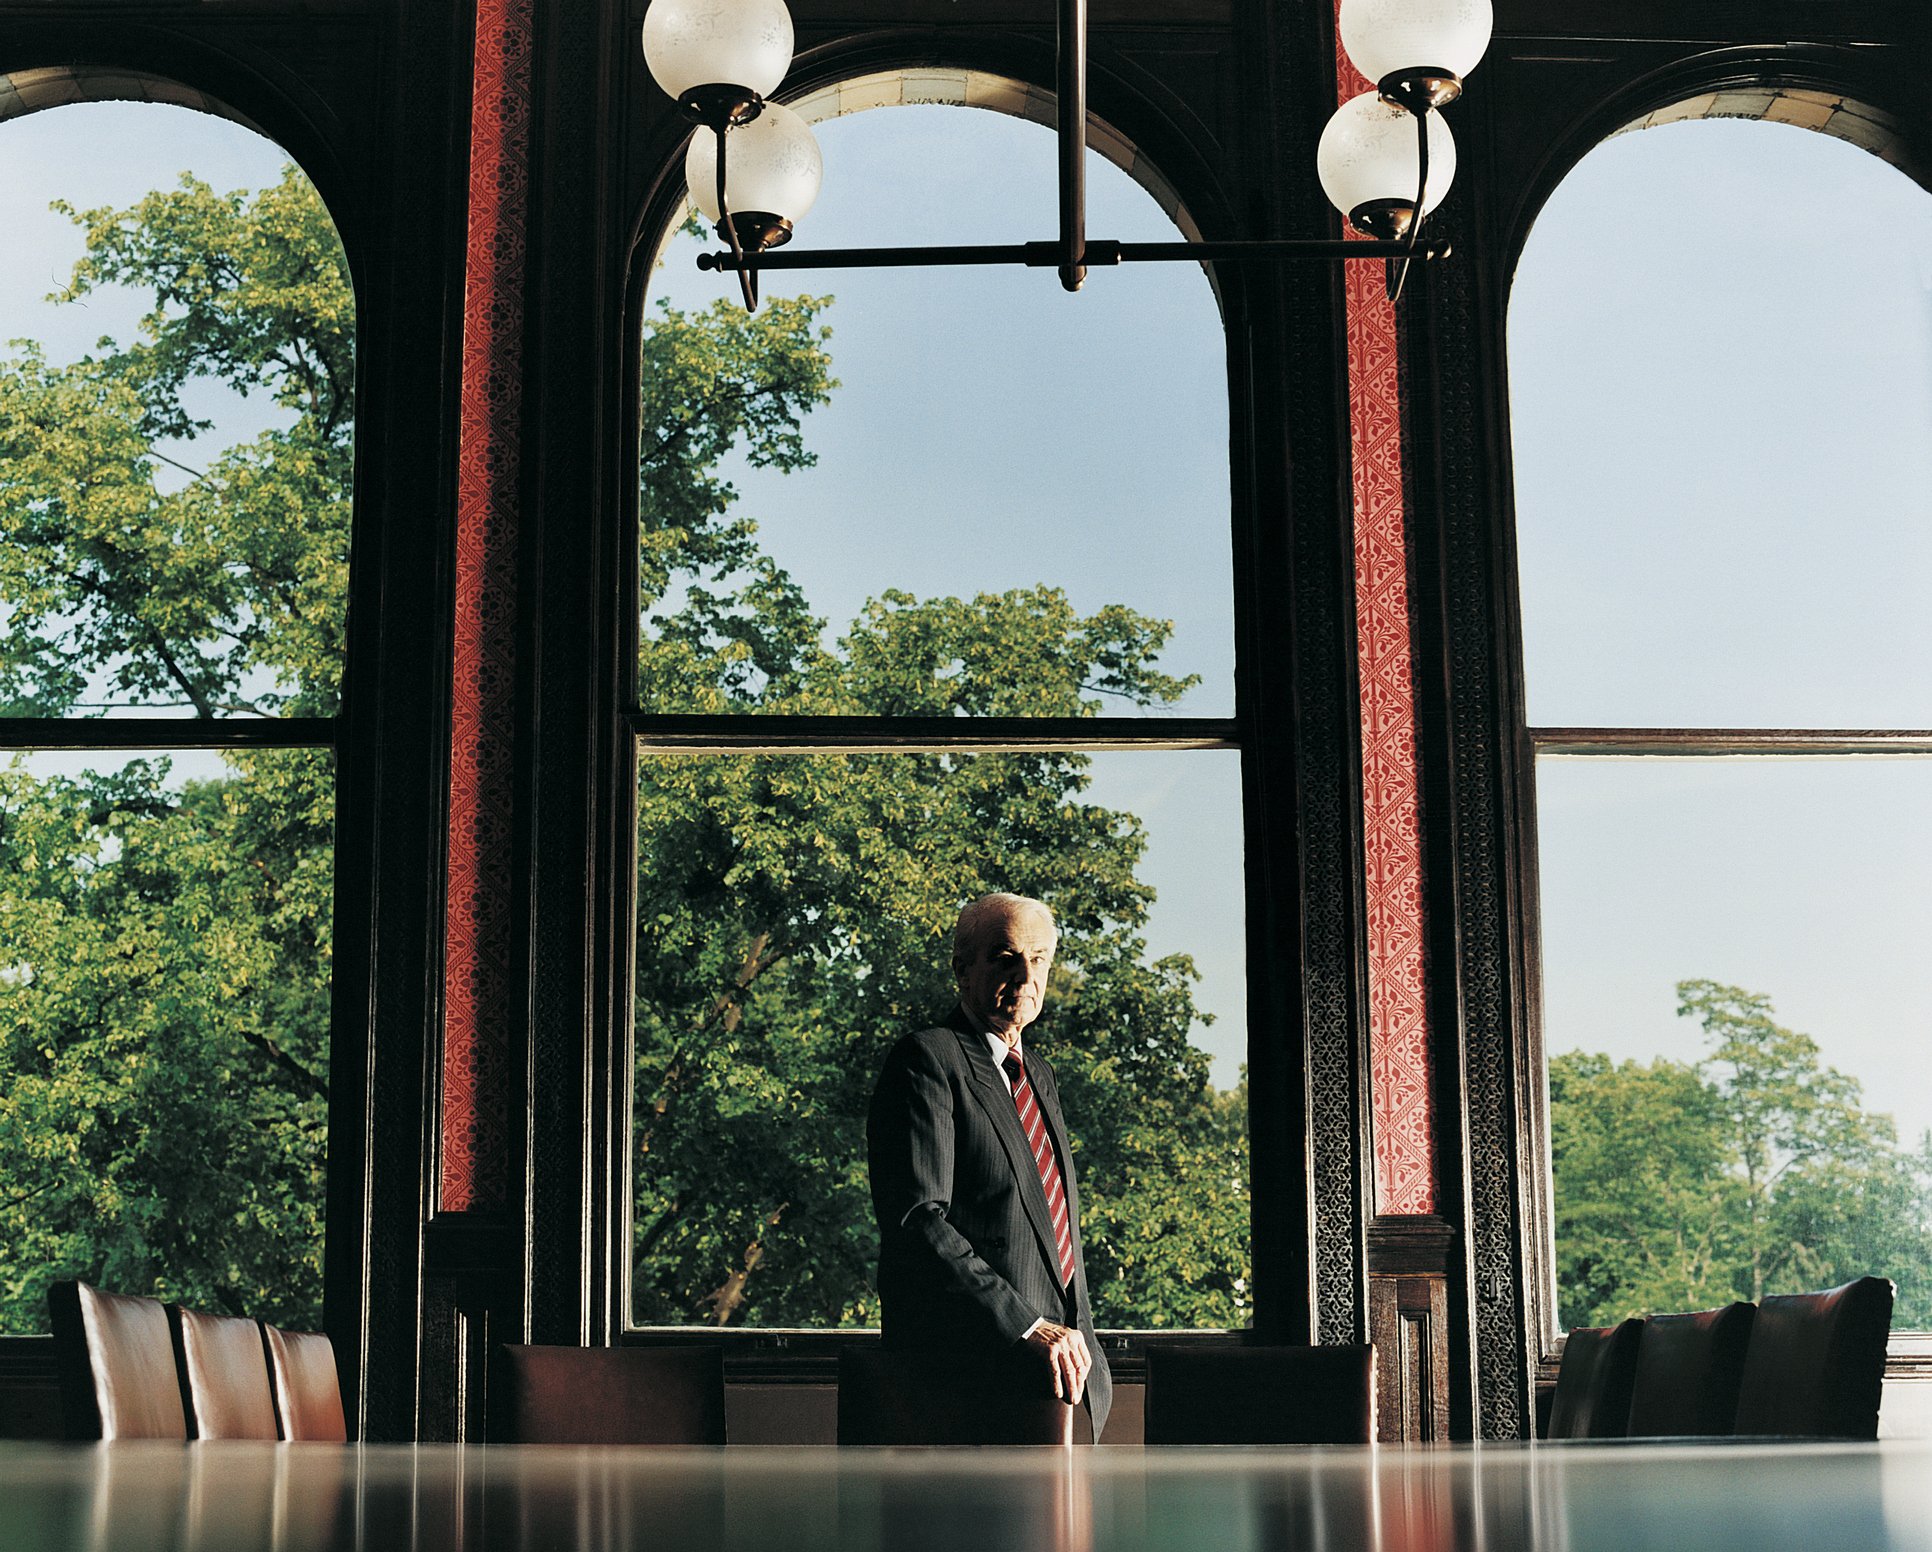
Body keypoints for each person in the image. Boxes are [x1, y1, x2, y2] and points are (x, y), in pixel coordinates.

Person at [866, 891, 1113, 1441]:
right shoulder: (928, 1059)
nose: (1027, 975)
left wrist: (1077, 1344)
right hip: (972, 1385)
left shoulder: (1039, 1075)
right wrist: (1028, 1327)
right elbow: (918, 1221)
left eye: (1040, 958)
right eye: (1006, 956)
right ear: (962, 969)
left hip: (1068, 1381)